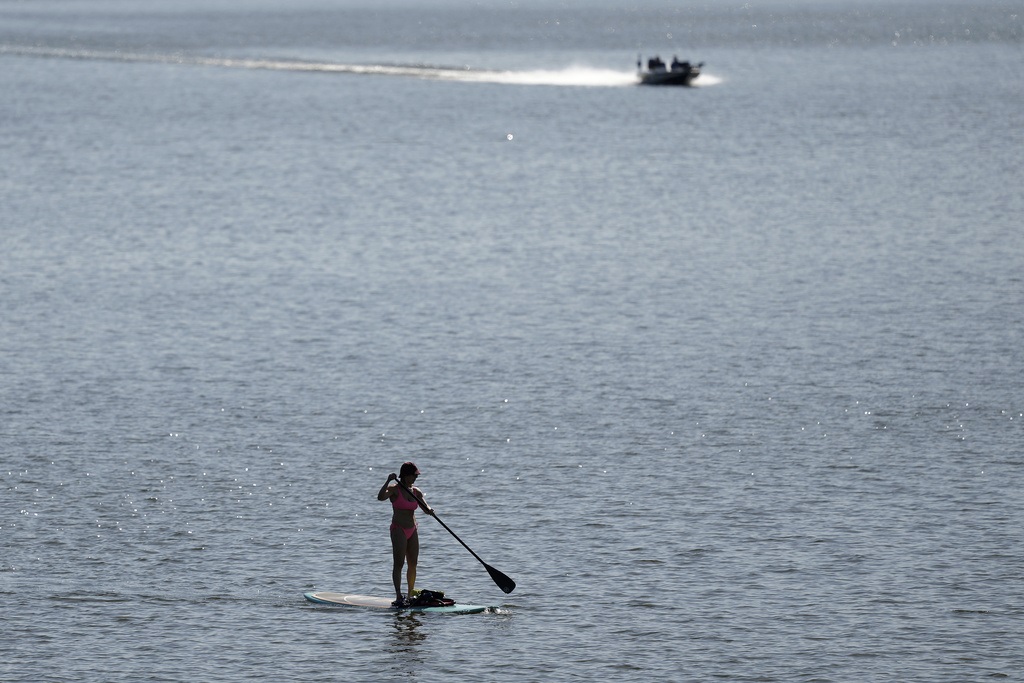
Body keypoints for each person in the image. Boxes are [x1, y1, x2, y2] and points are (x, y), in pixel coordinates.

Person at [377, 462, 433, 606]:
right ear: (405, 475)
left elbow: (425, 507)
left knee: (413, 564)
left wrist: (430, 510)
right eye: (413, 476)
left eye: (416, 476)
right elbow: (381, 497)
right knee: (399, 564)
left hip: (412, 529)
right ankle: (398, 596)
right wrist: (388, 480)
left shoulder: (416, 492)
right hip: (399, 529)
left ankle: (410, 595)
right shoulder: (394, 489)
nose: (415, 479)